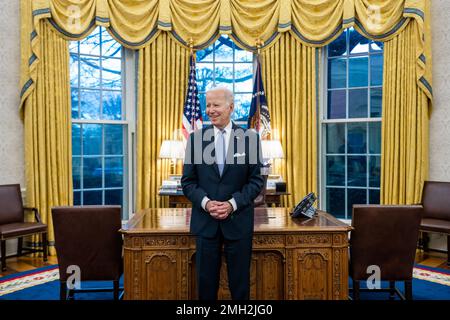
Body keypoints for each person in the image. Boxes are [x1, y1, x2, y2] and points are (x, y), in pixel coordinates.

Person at [181, 87, 264, 300]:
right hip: (205, 224)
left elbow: (255, 182)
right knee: (206, 286)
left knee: (240, 286)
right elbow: (188, 182)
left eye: (215, 105)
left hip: (238, 222)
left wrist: (232, 204)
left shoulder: (250, 139)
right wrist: (207, 203)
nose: (210, 110)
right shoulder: (195, 139)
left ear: (231, 107)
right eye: (207, 105)